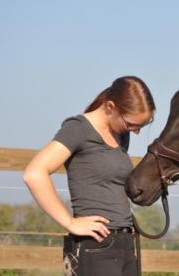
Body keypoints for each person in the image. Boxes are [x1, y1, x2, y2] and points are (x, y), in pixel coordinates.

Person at [23, 76, 155, 276]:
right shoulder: (78, 129)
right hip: (96, 246)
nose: (135, 131)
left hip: (125, 244)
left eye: (141, 126)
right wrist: (69, 222)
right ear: (110, 107)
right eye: (131, 124)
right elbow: (34, 173)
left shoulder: (120, 134)